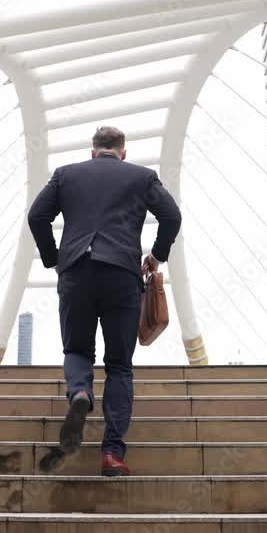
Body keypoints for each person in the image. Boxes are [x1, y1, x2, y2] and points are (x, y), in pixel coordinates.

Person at [27, 125, 182, 477]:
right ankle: (112, 454)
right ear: (123, 153)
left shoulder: (65, 175)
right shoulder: (142, 177)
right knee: (119, 366)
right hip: (122, 275)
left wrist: (54, 259)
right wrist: (156, 256)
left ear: (92, 150)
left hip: (76, 273)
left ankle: (80, 391)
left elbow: (37, 216)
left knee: (77, 350)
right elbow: (172, 216)